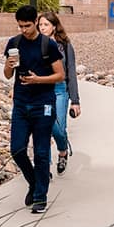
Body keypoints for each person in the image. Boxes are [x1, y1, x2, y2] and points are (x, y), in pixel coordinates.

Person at [3, 5, 66, 213]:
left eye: (27, 26)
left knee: (40, 153)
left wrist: (38, 80)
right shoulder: (14, 43)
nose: (23, 30)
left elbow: (60, 75)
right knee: (17, 149)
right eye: (20, 26)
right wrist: (10, 65)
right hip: (21, 104)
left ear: (35, 22)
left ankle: (40, 197)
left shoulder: (47, 45)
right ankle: (33, 182)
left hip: (43, 105)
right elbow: (7, 75)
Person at [37, 11, 81, 175]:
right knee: (44, 129)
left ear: (54, 27)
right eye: (40, 25)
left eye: (46, 25)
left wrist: (75, 100)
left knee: (58, 130)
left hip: (60, 91)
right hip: (41, 91)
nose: (42, 28)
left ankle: (63, 151)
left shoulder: (65, 45)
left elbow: (71, 72)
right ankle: (45, 167)